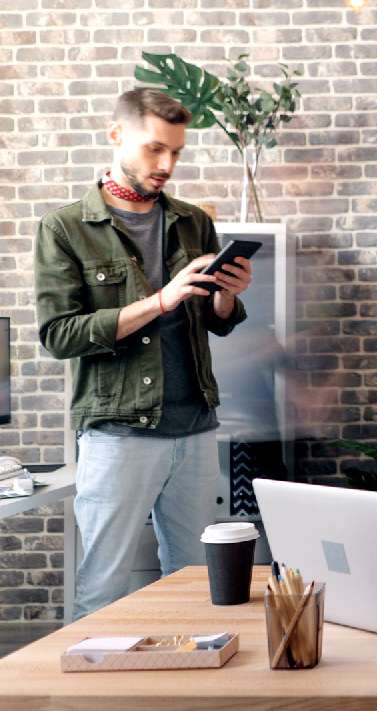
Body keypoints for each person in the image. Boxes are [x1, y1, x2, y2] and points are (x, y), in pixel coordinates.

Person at [35, 88, 253, 619]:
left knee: (196, 585)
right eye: (156, 149)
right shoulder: (65, 228)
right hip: (118, 432)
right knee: (104, 589)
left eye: (176, 152)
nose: (167, 165)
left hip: (196, 426)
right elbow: (59, 335)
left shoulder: (192, 221)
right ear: (116, 136)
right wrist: (159, 300)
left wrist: (227, 295)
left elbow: (213, 324)